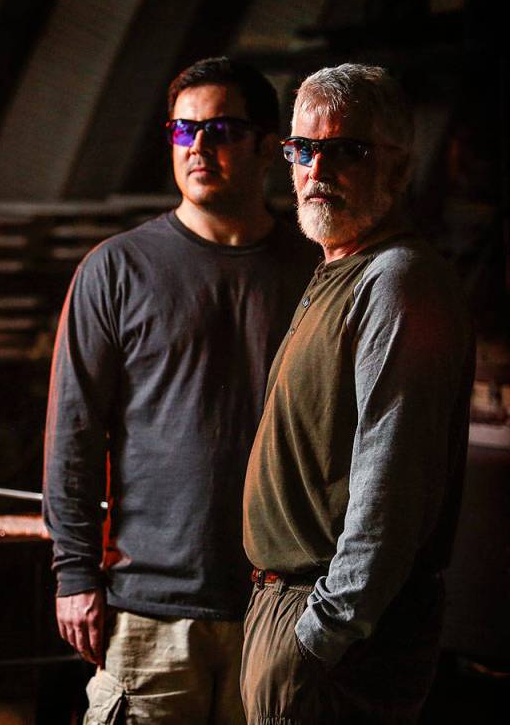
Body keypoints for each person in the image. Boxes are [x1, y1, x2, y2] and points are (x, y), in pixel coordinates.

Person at [42, 57, 319, 724]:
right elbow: (73, 433)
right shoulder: (117, 270)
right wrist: (75, 575)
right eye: (183, 131)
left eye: (221, 129)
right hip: (150, 612)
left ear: (265, 146)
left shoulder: (315, 272)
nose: (198, 146)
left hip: (281, 611)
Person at [241, 64, 474, 724]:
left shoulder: (395, 279)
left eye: (347, 151)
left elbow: (391, 483)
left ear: (397, 169)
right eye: (302, 149)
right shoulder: (337, 270)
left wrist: (320, 636)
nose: (317, 169)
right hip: (295, 614)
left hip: (335, 633)